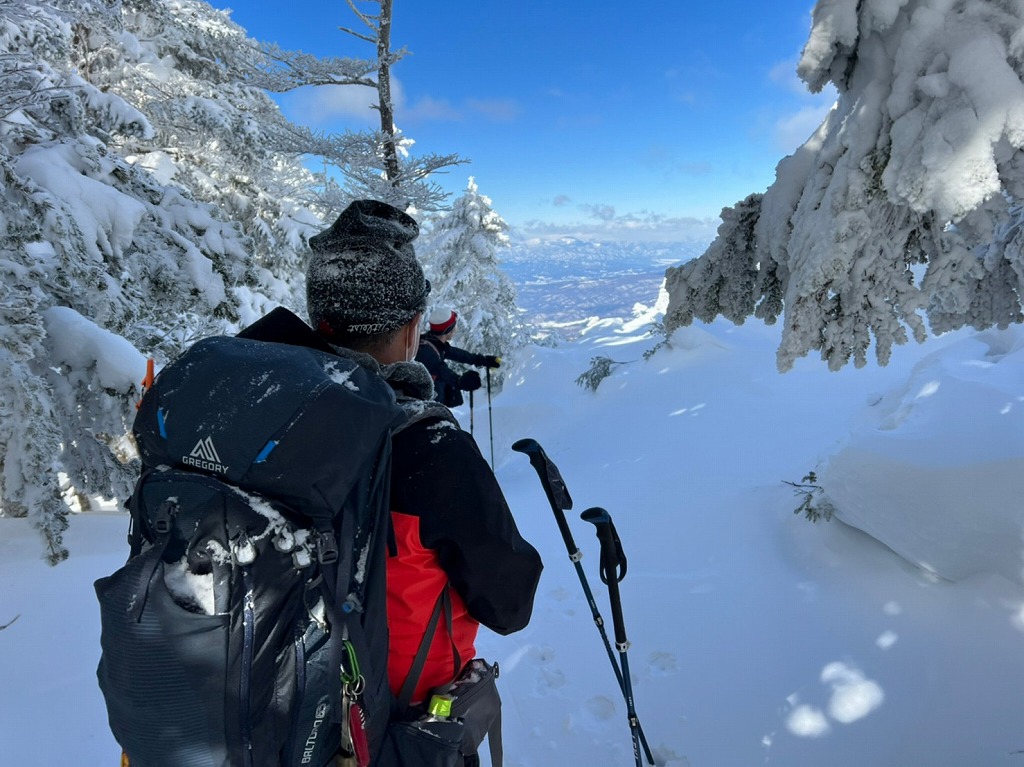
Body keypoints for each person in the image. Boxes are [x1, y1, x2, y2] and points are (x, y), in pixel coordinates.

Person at [241, 200, 542, 715]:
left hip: (254, 707)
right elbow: (509, 604)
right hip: (389, 723)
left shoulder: (251, 411)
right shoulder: (428, 450)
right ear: (411, 330)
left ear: (321, 320)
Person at [416, 307, 501, 408]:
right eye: (454, 326)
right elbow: (442, 371)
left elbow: (456, 353)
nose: (457, 329)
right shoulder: (427, 352)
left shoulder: (432, 341)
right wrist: (460, 382)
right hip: (427, 408)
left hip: (430, 402)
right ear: (448, 331)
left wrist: (481, 360)